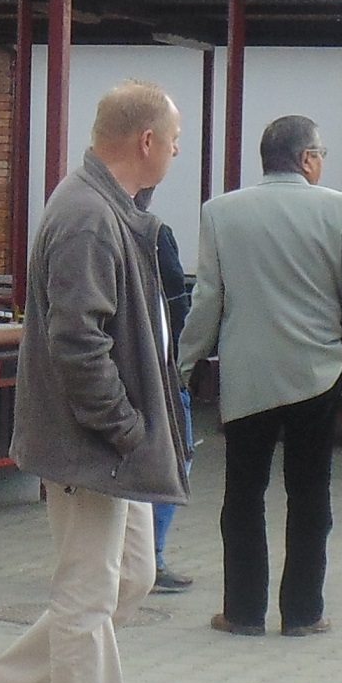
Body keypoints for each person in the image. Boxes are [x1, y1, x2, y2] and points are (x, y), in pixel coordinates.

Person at [0, 81, 186, 683]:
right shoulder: (91, 215)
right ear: (146, 142)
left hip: (105, 444)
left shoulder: (104, 206)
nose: (177, 153)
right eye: (174, 141)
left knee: (131, 578)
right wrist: (122, 428)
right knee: (88, 596)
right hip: (91, 445)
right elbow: (77, 342)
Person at [177, 114, 342, 639]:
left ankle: (242, 611)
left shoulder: (221, 212)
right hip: (318, 373)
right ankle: (303, 612)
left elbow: (209, 301)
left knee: (243, 495)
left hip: (247, 378)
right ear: (308, 159)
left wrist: (184, 360)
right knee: (310, 495)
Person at [145, 202, 196, 595]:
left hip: (118, 370)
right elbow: (178, 304)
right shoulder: (156, 234)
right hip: (162, 371)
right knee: (176, 459)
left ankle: (130, 556)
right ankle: (151, 557)